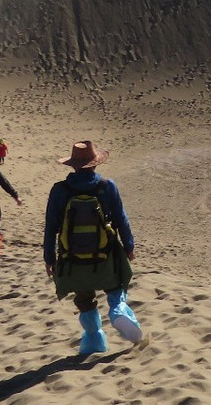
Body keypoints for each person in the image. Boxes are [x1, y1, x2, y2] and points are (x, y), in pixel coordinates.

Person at [43, 140, 142, 353]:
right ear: (95, 163)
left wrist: (49, 258)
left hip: (72, 257)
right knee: (116, 285)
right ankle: (118, 311)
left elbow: (51, 226)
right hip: (106, 254)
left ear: (72, 165)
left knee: (85, 299)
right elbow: (121, 219)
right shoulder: (107, 186)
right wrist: (129, 246)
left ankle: (94, 339)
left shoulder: (60, 190)